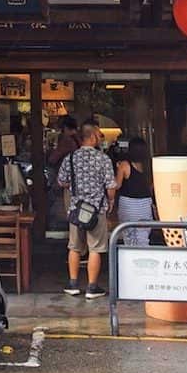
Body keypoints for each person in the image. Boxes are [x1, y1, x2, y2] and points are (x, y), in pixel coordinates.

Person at [58, 123, 116, 299]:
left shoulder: (70, 158)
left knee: (74, 247)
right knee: (95, 248)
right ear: (91, 137)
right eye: (99, 135)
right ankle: (92, 287)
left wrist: (75, 186)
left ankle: (73, 284)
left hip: (76, 208)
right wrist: (111, 200)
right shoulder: (103, 159)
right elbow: (110, 186)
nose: (100, 139)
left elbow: (61, 181)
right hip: (96, 209)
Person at [114, 137, 158, 247]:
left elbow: (117, 185)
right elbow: (152, 186)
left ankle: (131, 256)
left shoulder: (124, 165)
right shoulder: (150, 165)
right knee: (143, 237)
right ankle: (144, 255)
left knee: (129, 237)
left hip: (128, 205)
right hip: (145, 205)